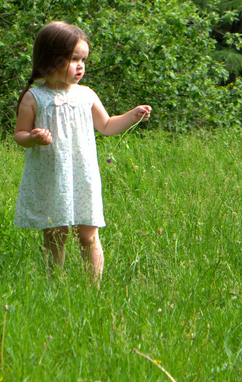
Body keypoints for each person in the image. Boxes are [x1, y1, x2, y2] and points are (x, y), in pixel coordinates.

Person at [13, 21, 151, 282]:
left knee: (88, 234)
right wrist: (33, 138)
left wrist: (133, 115)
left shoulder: (86, 95)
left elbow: (107, 125)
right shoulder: (35, 97)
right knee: (55, 233)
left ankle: (93, 290)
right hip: (52, 175)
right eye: (73, 59)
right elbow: (20, 135)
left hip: (83, 175)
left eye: (83, 59)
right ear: (51, 59)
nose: (80, 66)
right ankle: (55, 284)